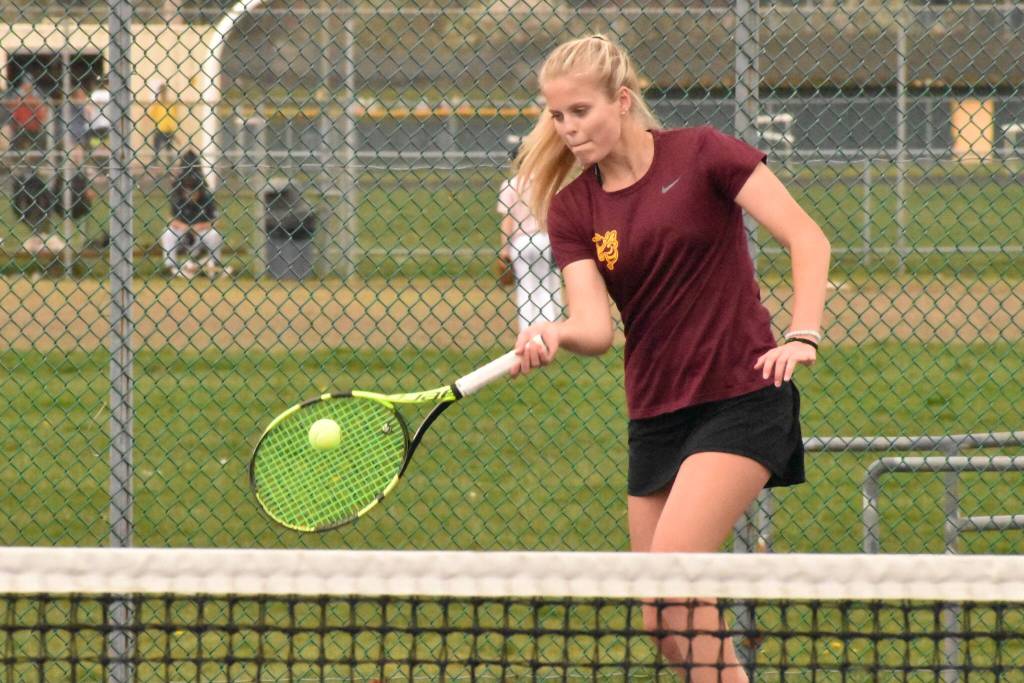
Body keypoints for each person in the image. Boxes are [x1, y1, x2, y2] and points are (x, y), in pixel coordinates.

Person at [509, 35, 830, 682]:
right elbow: (596, 327)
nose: (567, 128)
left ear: (621, 101)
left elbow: (806, 236)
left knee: (679, 585)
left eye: (580, 111)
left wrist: (803, 332)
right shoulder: (575, 207)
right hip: (656, 412)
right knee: (663, 618)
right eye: (556, 115)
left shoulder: (704, 153)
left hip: (742, 395)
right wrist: (555, 333)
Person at [496, 144, 563, 332]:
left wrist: (504, 248)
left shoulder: (510, 185)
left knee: (526, 288)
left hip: (520, 241)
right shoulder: (546, 183)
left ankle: (528, 333)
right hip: (545, 237)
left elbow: (507, 220)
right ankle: (548, 332)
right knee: (545, 286)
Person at [160, 149, 230, 278]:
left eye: (194, 191)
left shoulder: (206, 197)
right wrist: (185, 227)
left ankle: (213, 265)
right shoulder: (177, 195)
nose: (190, 194)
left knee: (213, 234)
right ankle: (170, 267)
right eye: (187, 191)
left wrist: (200, 227)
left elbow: (216, 220)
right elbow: (170, 218)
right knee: (168, 233)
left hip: (201, 232)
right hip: (182, 231)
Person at [4, 80, 48, 151]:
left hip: (33, 129)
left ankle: (38, 157)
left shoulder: (35, 100)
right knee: (15, 144)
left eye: (28, 87)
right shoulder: (18, 100)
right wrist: (16, 125)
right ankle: (14, 157)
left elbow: (41, 116)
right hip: (21, 128)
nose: (26, 89)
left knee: (39, 143)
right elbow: (14, 116)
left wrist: (37, 125)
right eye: (25, 87)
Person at [146, 82, 179, 163]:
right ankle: (155, 165)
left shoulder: (170, 104)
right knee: (156, 148)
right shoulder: (157, 104)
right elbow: (151, 115)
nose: (163, 93)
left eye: (164, 91)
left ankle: (169, 165)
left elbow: (175, 116)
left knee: (169, 149)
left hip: (168, 129)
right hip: (160, 129)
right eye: (161, 91)